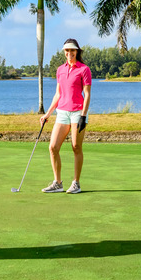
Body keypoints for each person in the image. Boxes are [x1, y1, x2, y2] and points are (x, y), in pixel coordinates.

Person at [40, 39, 92, 194]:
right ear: (64, 52)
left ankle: (76, 183)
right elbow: (58, 94)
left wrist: (83, 115)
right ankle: (57, 183)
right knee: (53, 147)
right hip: (62, 112)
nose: (69, 53)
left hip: (78, 112)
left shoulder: (84, 69)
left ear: (77, 51)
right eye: (67, 50)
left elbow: (87, 94)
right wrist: (48, 113)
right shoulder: (60, 70)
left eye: (72, 50)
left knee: (76, 146)